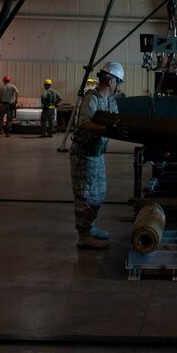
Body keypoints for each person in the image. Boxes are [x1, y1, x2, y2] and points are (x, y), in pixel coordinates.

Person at [70, 61, 126, 249]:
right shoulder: (91, 98)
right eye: (118, 82)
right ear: (111, 81)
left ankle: (90, 227)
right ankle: (84, 236)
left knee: (98, 194)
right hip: (84, 154)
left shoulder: (111, 101)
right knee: (85, 194)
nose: (118, 86)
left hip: (97, 154)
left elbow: (117, 121)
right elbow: (84, 123)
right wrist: (106, 129)